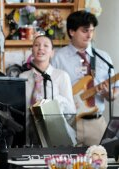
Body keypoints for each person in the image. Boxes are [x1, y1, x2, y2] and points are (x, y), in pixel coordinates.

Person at [51, 10, 119, 146]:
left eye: (92, 31)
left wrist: (108, 93)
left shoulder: (103, 57)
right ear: (72, 32)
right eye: (85, 31)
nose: (89, 35)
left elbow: (114, 93)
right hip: (68, 123)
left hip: (96, 123)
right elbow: (51, 92)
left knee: (100, 163)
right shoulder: (58, 57)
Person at [19, 35, 76, 146]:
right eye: (37, 45)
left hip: (56, 137)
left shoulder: (61, 76)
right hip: (27, 138)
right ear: (32, 50)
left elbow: (71, 112)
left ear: (52, 53)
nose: (41, 48)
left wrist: (54, 102)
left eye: (46, 45)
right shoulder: (22, 77)